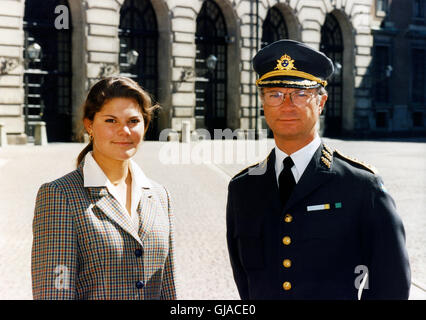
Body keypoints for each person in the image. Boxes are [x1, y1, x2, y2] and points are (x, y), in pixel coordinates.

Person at [226, 40, 411, 300]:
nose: (287, 105)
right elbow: (244, 281)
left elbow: (391, 285)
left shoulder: (361, 186)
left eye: (301, 94)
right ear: (263, 102)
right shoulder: (243, 188)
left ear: (322, 101)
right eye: (275, 94)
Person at [31, 76, 177, 300]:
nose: (124, 131)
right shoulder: (59, 195)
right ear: (89, 125)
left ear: (146, 125)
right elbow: (54, 292)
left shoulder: (160, 195)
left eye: (133, 121)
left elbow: (169, 289)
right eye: (111, 121)